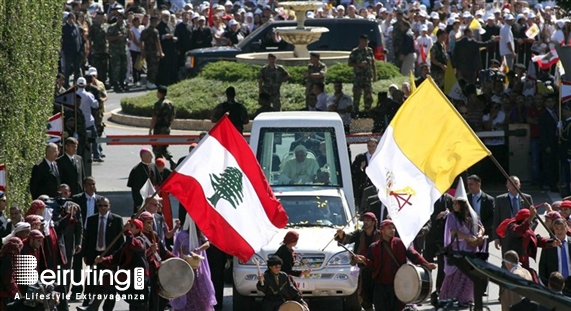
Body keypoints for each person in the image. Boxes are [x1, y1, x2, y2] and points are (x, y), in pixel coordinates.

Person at [357, 219, 436, 311]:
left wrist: (426, 264)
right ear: (382, 229)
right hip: (380, 287)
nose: (392, 230)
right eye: (389, 228)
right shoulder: (374, 247)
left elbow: (414, 255)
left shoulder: (400, 243)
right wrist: (363, 261)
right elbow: (370, 265)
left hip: (398, 286)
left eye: (393, 228)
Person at [94, 219, 149, 311]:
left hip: (138, 276)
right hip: (128, 276)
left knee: (138, 305)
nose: (129, 227)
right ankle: (94, 306)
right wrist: (102, 259)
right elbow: (115, 257)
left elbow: (135, 245)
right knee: (107, 279)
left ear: (138, 229)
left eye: (131, 226)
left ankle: (93, 307)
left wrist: (127, 232)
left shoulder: (140, 241)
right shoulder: (126, 244)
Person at [439, 198, 485, 307]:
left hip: (470, 250)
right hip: (457, 250)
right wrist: (468, 237)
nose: (454, 205)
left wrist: (479, 235)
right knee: (455, 275)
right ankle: (450, 298)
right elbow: (453, 232)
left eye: (456, 203)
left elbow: (481, 226)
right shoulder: (451, 216)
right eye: (453, 203)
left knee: (468, 277)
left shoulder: (472, 215)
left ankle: (465, 299)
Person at [497, 208, 560, 281]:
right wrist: (530, 217)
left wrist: (551, 243)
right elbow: (519, 231)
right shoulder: (512, 227)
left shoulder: (528, 231)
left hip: (524, 266)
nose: (532, 222)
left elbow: (537, 240)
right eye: (530, 219)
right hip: (511, 266)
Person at [170, 213, 216, 311]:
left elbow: (208, 243)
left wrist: (198, 250)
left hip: (198, 270)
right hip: (185, 271)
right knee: (186, 296)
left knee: (201, 297)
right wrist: (190, 253)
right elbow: (178, 250)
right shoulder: (181, 235)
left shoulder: (199, 234)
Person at [335, 212, 380, 311]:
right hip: (362, 269)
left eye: (368, 220)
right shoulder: (358, 234)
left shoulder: (380, 235)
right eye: (364, 220)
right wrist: (341, 235)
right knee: (362, 293)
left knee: (377, 293)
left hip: (376, 269)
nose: (365, 222)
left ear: (373, 222)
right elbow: (347, 238)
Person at [138, 211, 175, 311]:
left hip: (155, 273)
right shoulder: (138, 237)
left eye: (151, 222)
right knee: (144, 303)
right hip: (144, 273)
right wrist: (150, 251)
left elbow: (163, 253)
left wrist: (177, 259)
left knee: (157, 302)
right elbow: (137, 256)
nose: (150, 225)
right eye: (148, 223)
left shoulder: (154, 235)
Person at [493, 176, 534, 254]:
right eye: (511, 184)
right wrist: (496, 238)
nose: (514, 186)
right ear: (507, 186)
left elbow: (534, 218)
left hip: (523, 234)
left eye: (516, 183)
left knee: (522, 259)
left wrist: (528, 230)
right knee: (507, 261)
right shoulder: (500, 199)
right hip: (507, 235)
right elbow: (496, 219)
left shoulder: (526, 198)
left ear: (519, 185)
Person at [538, 218, 571, 295]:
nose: (559, 231)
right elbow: (542, 265)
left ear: (566, 229)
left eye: (562, 228)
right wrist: (547, 284)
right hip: (555, 284)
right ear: (553, 230)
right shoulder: (549, 245)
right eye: (557, 229)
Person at [348, 34, 377, 116]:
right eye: (363, 41)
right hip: (358, 77)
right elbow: (349, 63)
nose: (365, 43)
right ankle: (355, 111)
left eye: (366, 42)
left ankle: (367, 111)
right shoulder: (355, 51)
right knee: (357, 95)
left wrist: (375, 75)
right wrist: (359, 64)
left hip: (367, 77)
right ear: (360, 41)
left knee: (368, 95)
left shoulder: (369, 51)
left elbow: (373, 63)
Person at [127, 148, 162, 213]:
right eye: (150, 155)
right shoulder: (136, 170)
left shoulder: (153, 166)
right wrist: (138, 204)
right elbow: (135, 190)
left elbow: (158, 183)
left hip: (153, 199)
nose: (152, 157)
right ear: (143, 156)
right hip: (142, 201)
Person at [149, 85, 176, 165]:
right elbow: (173, 116)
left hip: (159, 129)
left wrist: (150, 129)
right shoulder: (171, 104)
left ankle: (159, 165)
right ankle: (171, 161)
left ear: (160, 93)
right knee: (163, 147)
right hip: (167, 128)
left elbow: (155, 117)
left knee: (156, 148)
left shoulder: (158, 104)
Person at [466, 175, 495, 240]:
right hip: (469, 233)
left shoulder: (489, 199)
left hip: (485, 233)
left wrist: (482, 229)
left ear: (478, 184)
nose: (469, 187)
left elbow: (492, 217)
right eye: (468, 185)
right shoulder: (466, 198)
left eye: (471, 184)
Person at [351, 138, 377, 208]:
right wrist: (361, 168)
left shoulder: (380, 157)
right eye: (369, 146)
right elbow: (353, 171)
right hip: (363, 187)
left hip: (376, 186)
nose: (371, 148)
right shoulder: (360, 157)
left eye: (373, 146)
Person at [106, 11, 129, 92]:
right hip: (115, 51)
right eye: (119, 18)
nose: (120, 19)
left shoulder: (125, 27)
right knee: (116, 68)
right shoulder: (112, 27)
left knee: (124, 68)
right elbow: (108, 37)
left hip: (123, 50)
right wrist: (117, 38)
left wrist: (129, 29)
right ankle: (116, 84)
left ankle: (122, 83)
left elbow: (129, 37)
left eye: (122, 18)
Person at [140, 16, 164, 90]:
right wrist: (161, 52)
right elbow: (157, 42)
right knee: (153, 68)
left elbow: (141, 41)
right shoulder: (155, 31)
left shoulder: (145, 31)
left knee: (149, 66)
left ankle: (148, 82)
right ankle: (151, 81)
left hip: (147, 51)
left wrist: (142, 50)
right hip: (154, 52)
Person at [0, 237, 22, 311]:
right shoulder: (8, 258)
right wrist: (14, 291)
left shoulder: (5, 256)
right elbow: (8, 277)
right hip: (3, 294)